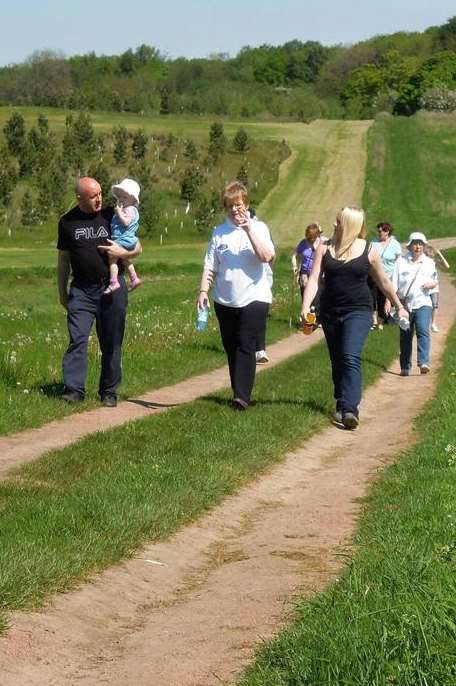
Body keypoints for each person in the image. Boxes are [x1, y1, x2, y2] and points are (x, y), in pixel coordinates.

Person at [301, 207, 408, 430]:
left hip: (358, 311)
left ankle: (350, 409)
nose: (334, 225)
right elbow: (313, 280)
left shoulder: (368, 250)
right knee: (337, 359)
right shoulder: (324, 248)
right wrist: (305, 305)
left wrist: (398, 305)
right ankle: (341, 401)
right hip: (329, 311)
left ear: (349, 225)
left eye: (338, 221)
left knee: (350, 356)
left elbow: (384, 282)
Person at [57, 177, 141, 407]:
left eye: (101, 193)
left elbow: (138, 246)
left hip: (111, 287)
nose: (99, 198)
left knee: (112, 341)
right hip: (81, 290)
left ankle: (109, 391)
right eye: (93, 196)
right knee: (78, 339)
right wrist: (62, 292)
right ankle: (74, 389)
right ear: (79, 198)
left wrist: (122, 251)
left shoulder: (110, 215)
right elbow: (63, 260)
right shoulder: (67, 222)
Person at [197, 181, 275, 410]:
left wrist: (248, 229)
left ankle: (242, 397)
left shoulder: (260, 228)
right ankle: (238, 389)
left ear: (247, 204)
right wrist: (203, 291)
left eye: (238, 205)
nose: (234, 210)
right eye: (230, 206)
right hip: (225, 299)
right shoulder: (219, 233)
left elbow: (266, 256)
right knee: (231, 346)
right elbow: (210, 266)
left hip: (255, 296)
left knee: (245, 344)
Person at [392, 232, 438, 376]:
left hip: (423, 302)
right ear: (410, 246)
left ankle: (423, 362)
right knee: (405, 334)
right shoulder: (400, 262)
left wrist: (431, 284)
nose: (417, 247)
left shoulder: (429, 263)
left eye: (420, 244)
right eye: (415, 244)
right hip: (405, 304)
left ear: (424, 246)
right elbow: (393, 284)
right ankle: (405, 366)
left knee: (423, 330)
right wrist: (389, 301)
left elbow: (435, 282)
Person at [104, 178, 142, 295]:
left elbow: (126, 222)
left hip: (123, 239)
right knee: (124, 259)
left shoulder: (130, 210)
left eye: (125, 197)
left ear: (133, 199)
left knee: (112, 258)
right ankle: (134, 278)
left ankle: (114, 281)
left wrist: (119, 213)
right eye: (120, 197)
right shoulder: (127, 208)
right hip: (126, 239)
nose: (121, 200)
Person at [370, 222, 402, 329]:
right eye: (378, 231)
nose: (379, 233)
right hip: (374, 275)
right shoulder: (373, 242)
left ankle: (382, 319)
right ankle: (374, 319)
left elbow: (398, 261)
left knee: (384, 299)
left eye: (380, 231)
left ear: (387, 231)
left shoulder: (395, 244)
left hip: (388, 276)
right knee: (372, 297)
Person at [424, 243, 450, 332]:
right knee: (425, 306)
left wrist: (440, 254)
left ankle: (433, 324)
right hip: (425, 287)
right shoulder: (422, 262)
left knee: (434, 305)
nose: (430, 254)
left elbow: (447, 266)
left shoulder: (435, 262)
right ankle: (424, 324)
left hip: (434, 287)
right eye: (428, 253)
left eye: (432, 253)